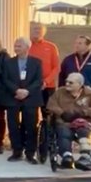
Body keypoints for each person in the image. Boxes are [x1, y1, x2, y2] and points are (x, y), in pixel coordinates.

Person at [46, 72, 91, 170]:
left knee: (83, 131)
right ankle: (67, 156)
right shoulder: (60, 92)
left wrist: (85, 112)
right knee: (64, 132)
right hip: (65, 121)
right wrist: (62, 113)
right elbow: (51, 105)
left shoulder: (89, 93)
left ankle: (85, 157)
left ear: (79, 85)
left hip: (83, 122)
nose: (67, 84)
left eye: (71, 83)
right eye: (66, 81)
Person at [0, 36, 43, 163]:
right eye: (15, 46)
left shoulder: (36, 62)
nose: (16, 48)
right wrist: (16, 90)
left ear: (27, 47)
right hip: (13, 98)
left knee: (30, 126)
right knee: (13, 126)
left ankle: (30, 153)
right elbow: (5, 79)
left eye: (19, 46)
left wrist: (26, 91)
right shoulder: (8, 62)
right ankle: (16, 151)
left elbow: (38, 80)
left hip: (30, 98)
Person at [28, 22, 61, 159]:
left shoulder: (51, 47)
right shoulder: (27, 46)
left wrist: (46, 81)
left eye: (39, 30)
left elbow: (56, 67)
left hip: (48, 87)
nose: (37, 32)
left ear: (44, 32)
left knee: (49, 117)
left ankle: (49, 146)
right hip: (31, 88)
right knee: (31, 117)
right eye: (35, 29)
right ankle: (31, 146)